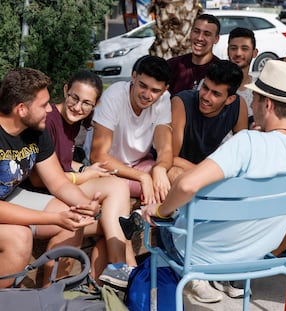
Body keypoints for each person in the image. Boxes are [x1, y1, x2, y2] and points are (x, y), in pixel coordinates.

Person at [141, 59, 286, 302]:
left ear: (268, 104)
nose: (252, 103)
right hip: (259, 255)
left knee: (161, 225)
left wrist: (160, 210)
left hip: (198, 252)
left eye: (256, 98)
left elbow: (187, 185)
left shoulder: (247, 143)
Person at [25, 71, 135, 288]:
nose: (77, 107)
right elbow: (41, 179)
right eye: (74, 98)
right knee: (114, 216)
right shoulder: (49, 121)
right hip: (40, 193)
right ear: (65, 90)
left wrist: (85, 168)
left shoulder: (74, 122)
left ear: (95, 104)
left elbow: (61, 161)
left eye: (86, 103)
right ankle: (121, 269)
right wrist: (84, 175)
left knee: (116, 199)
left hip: (58, 188)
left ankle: (108, 276)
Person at [0, 67, 101, 288]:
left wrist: (86, 205)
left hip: (9, 196)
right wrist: (54, 219)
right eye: (44, 104)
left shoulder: (36, 129)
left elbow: (57, 181)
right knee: (20, 238)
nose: (49, 109)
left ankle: (49, 294)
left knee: (76, 218)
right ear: (21, 109)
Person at [87, 55, 173, 206]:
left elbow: (165, 148)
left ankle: (165, 225)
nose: (146, 95)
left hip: (139, 164)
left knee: (174, 176)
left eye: (155, 90)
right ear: (133, 77)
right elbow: (98, 156)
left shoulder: (164, 99)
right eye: (142, 85)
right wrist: (143, 177)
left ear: (165, 89)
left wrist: (160, 168)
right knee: (161, 187)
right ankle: (147, 216)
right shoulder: (114, 96)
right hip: (108, 170)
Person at [168, 60, 248, 184]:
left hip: (209, 171)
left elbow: (243, 155)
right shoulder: (181, 102)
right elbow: (170, 158)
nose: (206, 97)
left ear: (230, 99)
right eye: (205, 88)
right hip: (182, 169)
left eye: (215, 94)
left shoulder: (238, 105)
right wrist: (207, 174)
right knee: (174, 173)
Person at [167, 13, 220, 95]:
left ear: (216, 39)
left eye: (207, 34)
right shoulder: (172, 65)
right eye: (196, 31)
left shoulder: (221, 71)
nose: (200, 38)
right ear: (190, 33)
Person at [227, 27, 258, 126]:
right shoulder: (211, 84)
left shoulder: (260, 89)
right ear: (227, 51)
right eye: (233, 48)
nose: (238, 53)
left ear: (254, 53)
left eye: (244, 48)